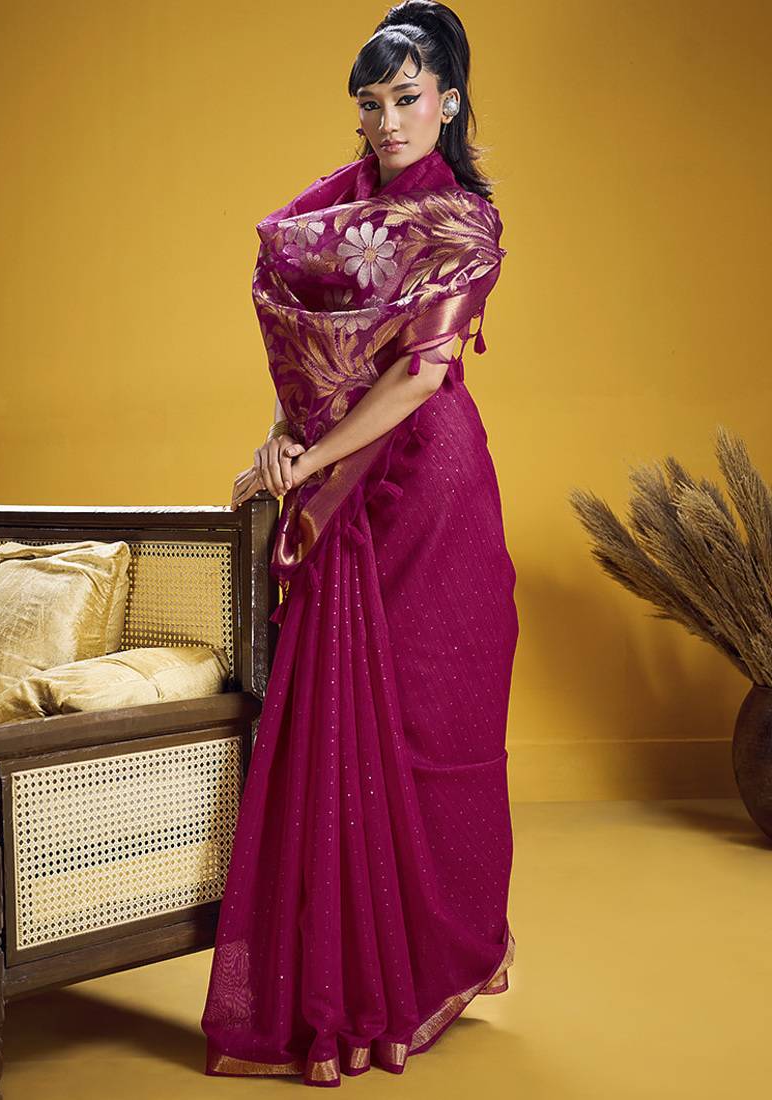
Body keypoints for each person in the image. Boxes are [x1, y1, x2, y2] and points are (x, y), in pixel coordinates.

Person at [201, 1, 519, 1087]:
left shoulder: (464, 222)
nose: (387, 121)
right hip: (340, 471)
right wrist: (284, 437)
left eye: (406, 98)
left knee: (430, 720)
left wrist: (312, 457)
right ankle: (336, 992)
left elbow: (422, 373)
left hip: (427, 487)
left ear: (450, 101)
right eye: (371, 103)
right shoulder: (331, 209)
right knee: (336, 723)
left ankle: (423, 972)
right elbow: (303, 346)